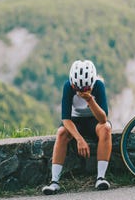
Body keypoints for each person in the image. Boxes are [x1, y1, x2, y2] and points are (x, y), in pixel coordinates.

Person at [42, 60, 112, 195]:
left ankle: (101, 177)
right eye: (77, 88)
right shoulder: (68, 86)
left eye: (84, 88)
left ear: (91, 83)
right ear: (73, 83)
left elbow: (103, 119)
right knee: (61, 132)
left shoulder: (99, 85)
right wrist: (79, 139)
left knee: (106, 128)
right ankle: (54, 182)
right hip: (75, 121)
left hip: (94, 121)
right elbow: (66, 119)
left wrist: (90, 99)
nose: (80, 91)